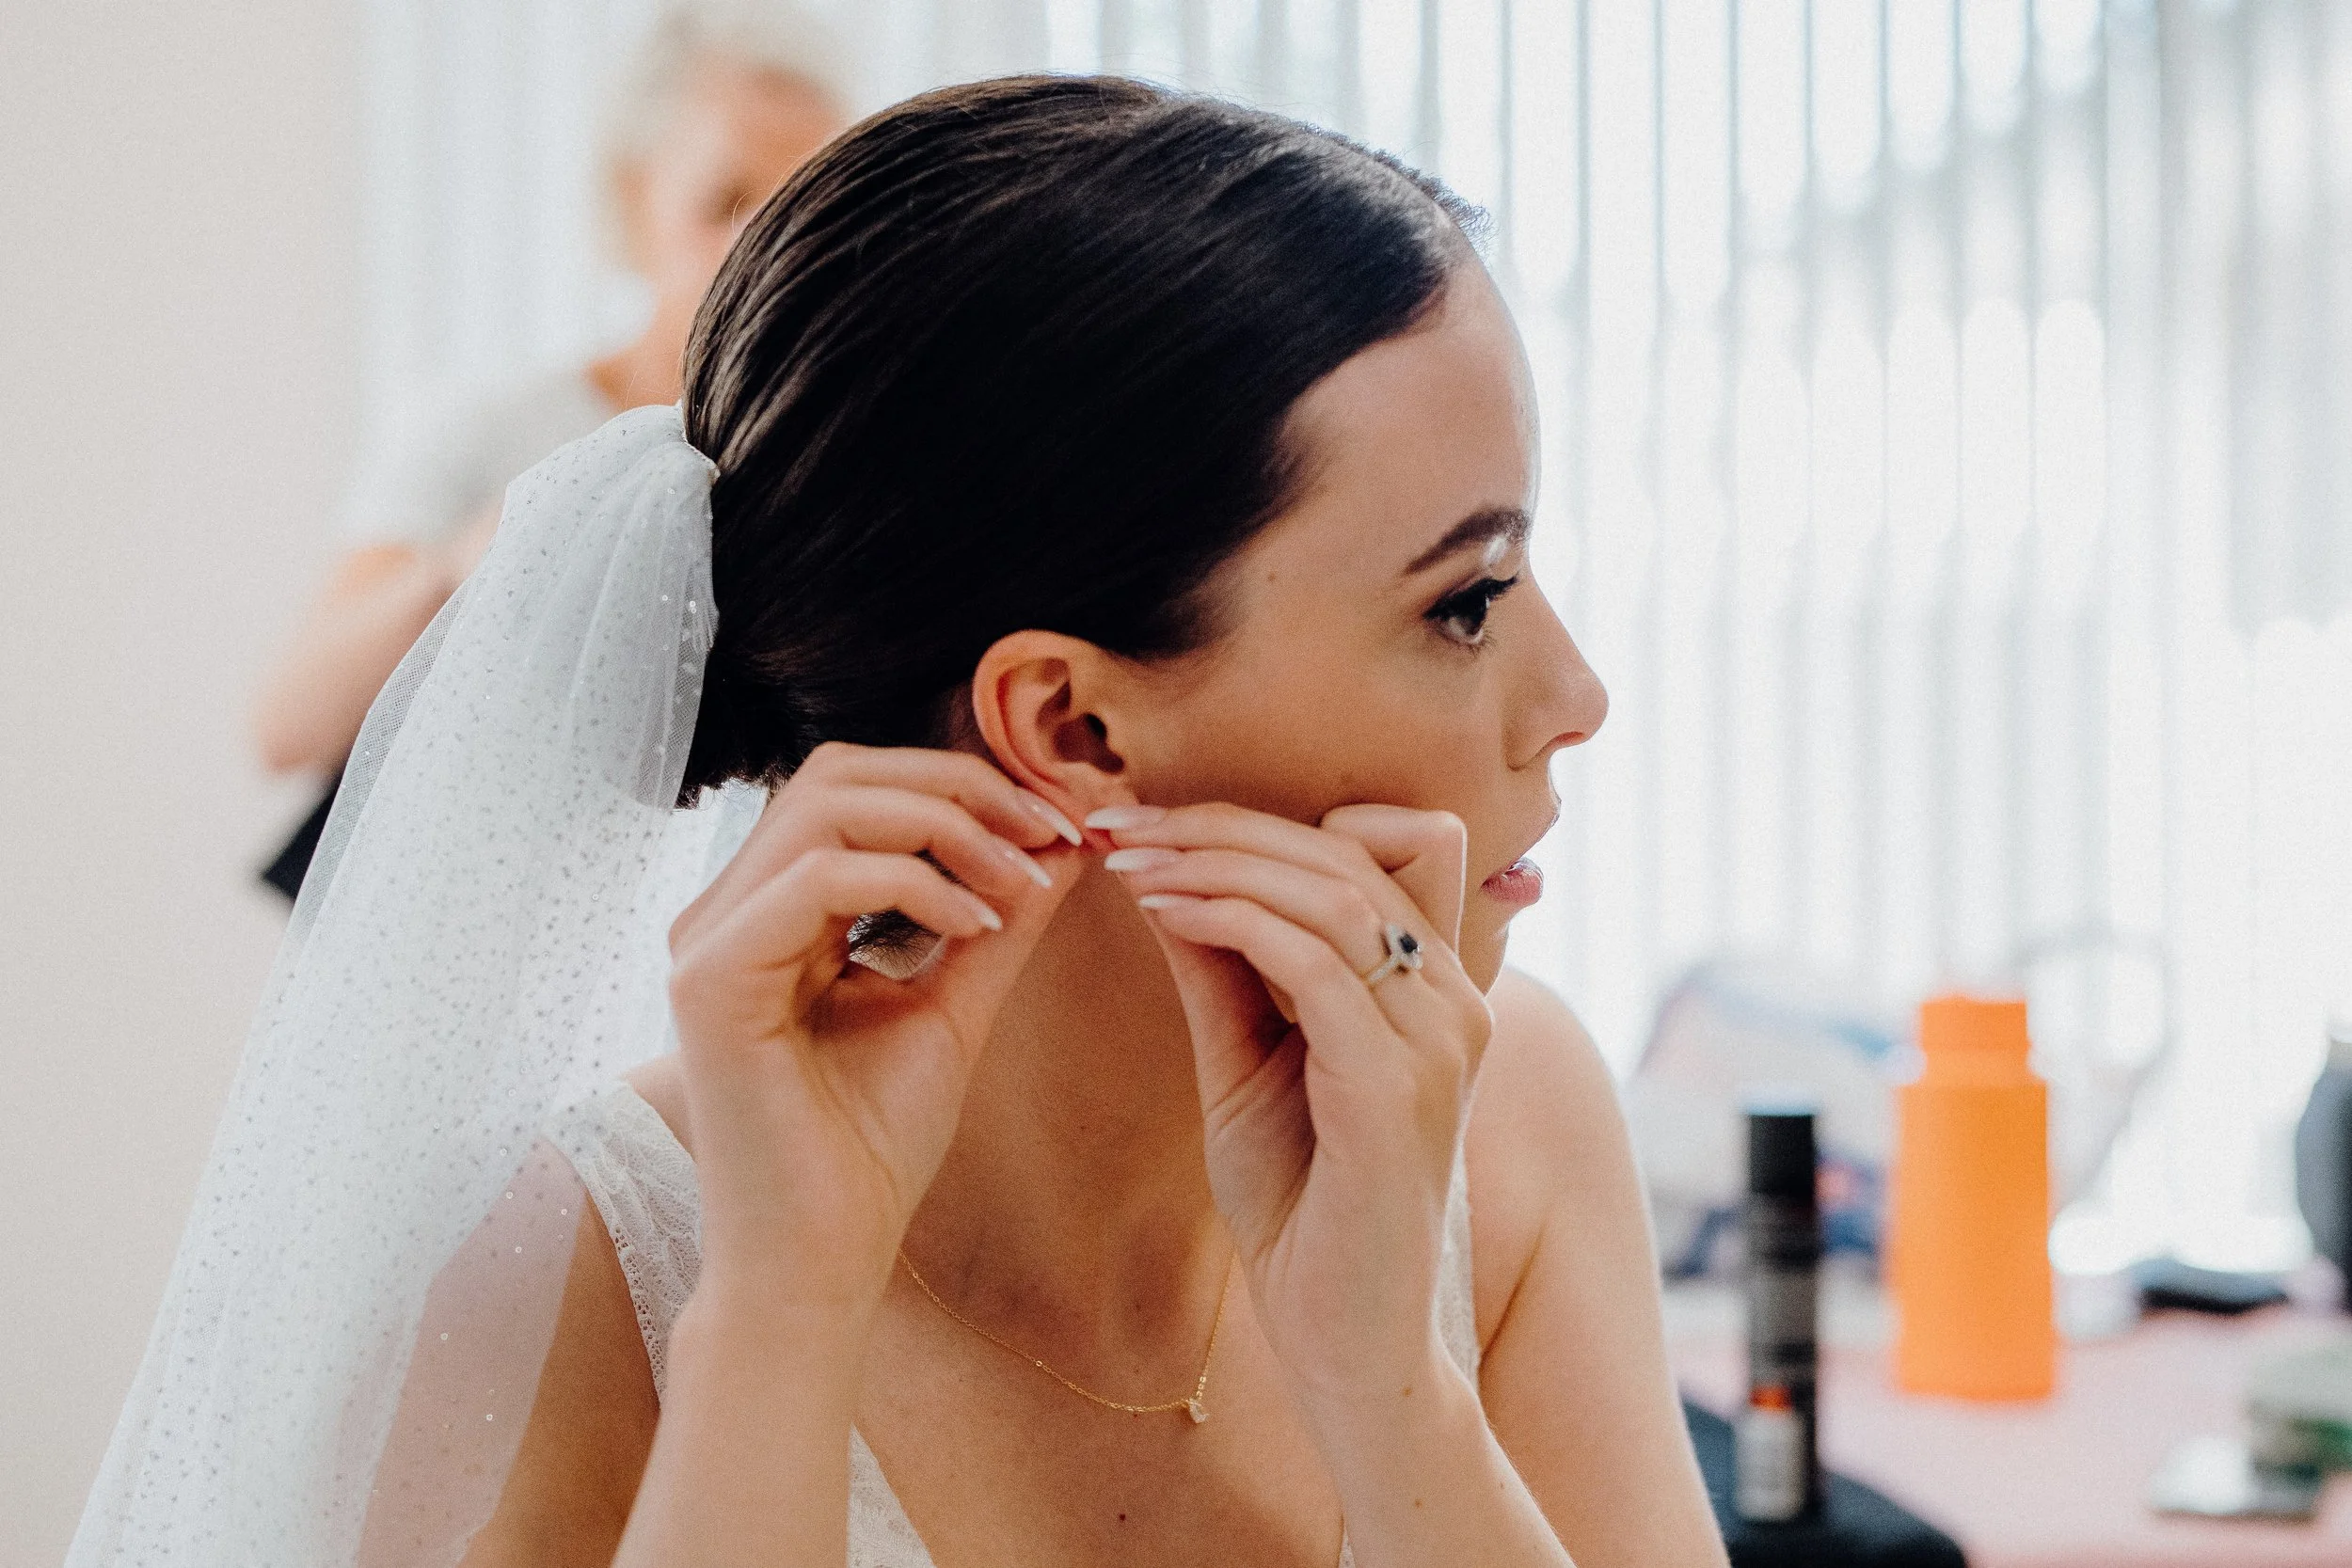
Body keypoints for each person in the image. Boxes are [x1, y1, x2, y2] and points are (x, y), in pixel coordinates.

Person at [74, 78, 1724, 1568]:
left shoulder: (1512, 1127)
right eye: (1469, 601)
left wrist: (1397, 1400)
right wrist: (778, 1325)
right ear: (1070, 724)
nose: (1574, 693)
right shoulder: (550, 1286)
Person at [249, 2, 853, 896]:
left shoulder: (837, 469)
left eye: (804, 211)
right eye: (724, 201)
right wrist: (464, 564)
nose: (762, 250)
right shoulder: (492, 429)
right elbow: (288, 725)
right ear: (631, 197)